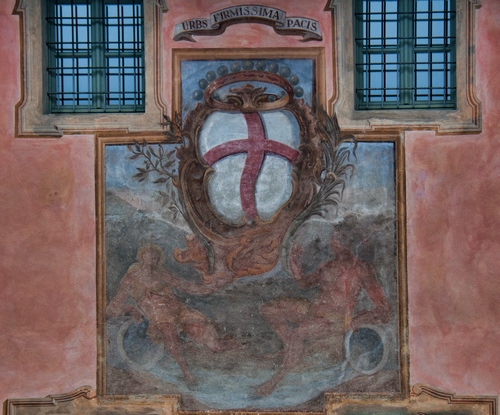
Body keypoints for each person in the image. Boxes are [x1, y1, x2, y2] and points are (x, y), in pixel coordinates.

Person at [255, 237, 392, 396]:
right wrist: (294, 260)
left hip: (333, 320)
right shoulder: (328, 265)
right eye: (334, 239)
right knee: (268, 309)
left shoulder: (361, 268)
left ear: (350, 242)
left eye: (339, 238)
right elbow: (303, 284)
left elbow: (384, 309)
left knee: (296, 334)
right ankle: (289, 349)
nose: (334, 242)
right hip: (312, 310)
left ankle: (276, 379)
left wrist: (359, 319)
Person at [106, 244, 238, 386]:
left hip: (177, 308)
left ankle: (230, 345)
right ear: (142, 256)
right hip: (158, 314)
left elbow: (185, 285)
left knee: (204, 332)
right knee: (170, 333)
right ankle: (187, 373)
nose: (153, 257)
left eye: (156, 255)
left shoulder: (161, 273)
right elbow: (112, 307)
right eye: (150, 254)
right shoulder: (130, 279)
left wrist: (211, 287)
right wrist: (131, 308)